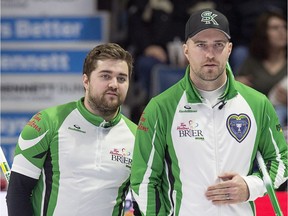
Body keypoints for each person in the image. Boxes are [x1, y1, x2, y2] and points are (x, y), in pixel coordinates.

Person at [130, 8, 287, 215]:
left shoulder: (257, 103)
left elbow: (281, 160)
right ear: (186, 50)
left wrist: (251, 186)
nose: (210, 54)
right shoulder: (160, 108)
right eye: (201, 45)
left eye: (218, 45)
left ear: (229, 49)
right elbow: (144, 179)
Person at [6, 43, 138, 216]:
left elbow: (142, 203)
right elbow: (18, 193)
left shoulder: (138, 136)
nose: (114, 84)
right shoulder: (47, 123)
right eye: (105, 76)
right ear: (86, 80)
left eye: (122, 78)